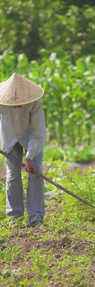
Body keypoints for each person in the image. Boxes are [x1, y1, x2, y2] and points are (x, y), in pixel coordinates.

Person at [0, 73, 46, 227]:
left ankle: (36, 218)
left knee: (35, 173)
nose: (16, 104)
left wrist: (29, 157)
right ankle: (15, 218)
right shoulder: (1, 100)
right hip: (10, 137)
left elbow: (38, 132)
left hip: (31, 138)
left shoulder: (35, 102)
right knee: (13, 175)